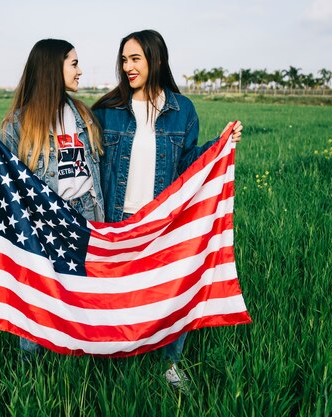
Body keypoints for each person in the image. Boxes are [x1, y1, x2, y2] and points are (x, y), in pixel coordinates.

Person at [91, 29, 243, 390]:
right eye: (124, 59)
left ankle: (169, 366)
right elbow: (87, 162)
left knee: (171, 292)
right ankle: (110, 363)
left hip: (162, 223)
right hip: (117, 221)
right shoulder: (106, 110)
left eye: (135, 59)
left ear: (156, 59)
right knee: (115, 297)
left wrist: (218, 146)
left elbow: (189, 164)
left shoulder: (182, 110)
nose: (127, 66)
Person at [0, 38, 105, 357]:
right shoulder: (19, 123)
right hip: (43, 218)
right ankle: (33, 367)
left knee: (85, 289)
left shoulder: (85, 114)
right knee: (38, 290)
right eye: (73, 63)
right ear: (51, 69)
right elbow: (6, 175)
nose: (80, 71)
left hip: (87, 213)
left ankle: (85, 353)